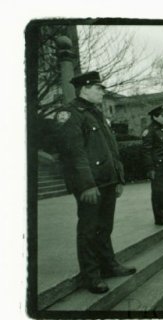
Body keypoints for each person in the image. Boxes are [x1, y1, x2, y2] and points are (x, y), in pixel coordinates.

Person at [59, 71, 136, 294]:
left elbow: (112, 149)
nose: (102, 92)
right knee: (88, 229)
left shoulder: (96, 113)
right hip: (90, 184)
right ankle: (90, 276)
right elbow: (75, 153)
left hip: (107, 181)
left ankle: (108, 265)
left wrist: (118, 178)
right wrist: (86, 185)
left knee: (104, 227)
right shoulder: (71, 114)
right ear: (84, 88)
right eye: (98, 88)